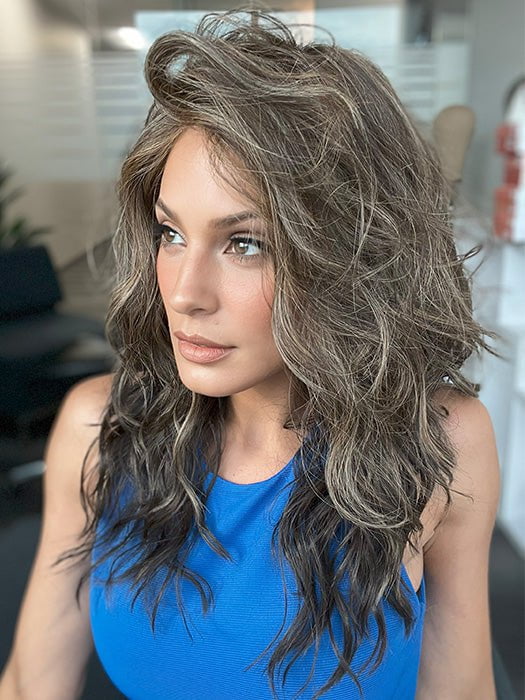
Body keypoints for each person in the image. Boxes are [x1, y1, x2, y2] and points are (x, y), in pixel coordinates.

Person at [0, 7, 502, 700]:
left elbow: (462, 687)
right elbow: (30, 683)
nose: (184, 294)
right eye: (171, 234)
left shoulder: (439, 442)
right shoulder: (100, 429)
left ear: (354, 257)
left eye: (245, 244)